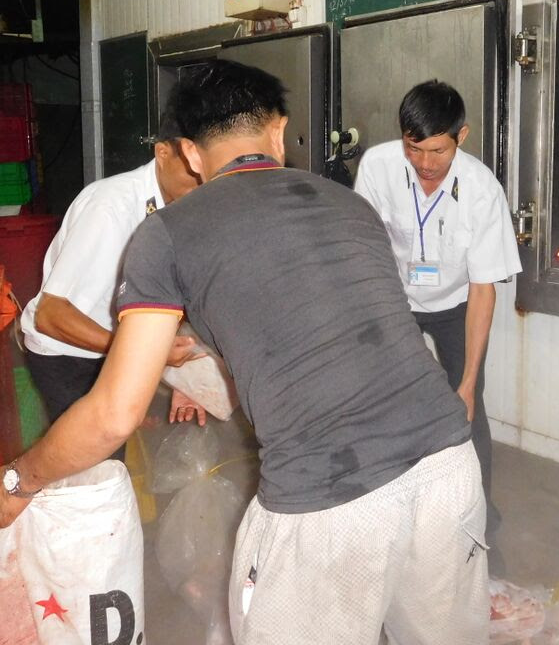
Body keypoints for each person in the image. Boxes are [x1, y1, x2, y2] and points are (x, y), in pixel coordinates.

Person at [1, 60, 488, 645]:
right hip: (449, 466)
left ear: (191, 152)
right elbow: (307, 327)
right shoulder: (349, 205)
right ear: (278, 132)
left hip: (327, 499)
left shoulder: (168, 231)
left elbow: (114, 413)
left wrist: (18, 481)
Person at [354, 79, 521, 570]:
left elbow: (484, 289)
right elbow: (366, 249)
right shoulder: (378, 167)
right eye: (414, 148)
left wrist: (466, 383)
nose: (425, 163)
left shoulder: (482, 190)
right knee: (387, 407)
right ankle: (391, 520)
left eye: (438, 150)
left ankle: (479, 531)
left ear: (461, 137)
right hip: (395, 300)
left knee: (468, 413)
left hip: (457, 304)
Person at [20, 114, 205, 454]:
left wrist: (186, 379)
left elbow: (170, 296)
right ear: (162, 153)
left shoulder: (180, 208)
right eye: (192, 172)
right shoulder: (111, 207)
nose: (202, 183)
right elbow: (50, 315)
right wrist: (145, 353)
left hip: (113, 345)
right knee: (91, 461)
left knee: (109, 455)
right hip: (67, 354)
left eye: (208, 172)